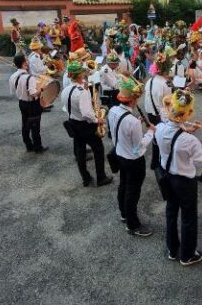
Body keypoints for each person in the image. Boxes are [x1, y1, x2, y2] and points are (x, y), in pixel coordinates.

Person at [155, 90, 202, 266]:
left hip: (167, 176)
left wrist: (189, 129)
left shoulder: (160, 129)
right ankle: (187, 255)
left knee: (171, 211)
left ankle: (172, 249)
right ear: (185, 114)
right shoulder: (189, 141)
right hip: (184, 182)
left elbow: (174, 136)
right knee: (188, 217)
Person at [108, 77, 155, 237]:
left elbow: (118, 132)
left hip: (120, 153)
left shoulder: (113, 110)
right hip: (133, 160)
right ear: (133, 100)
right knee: (132, 192)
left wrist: (137, 123)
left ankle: (123, 213)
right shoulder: (132, 122)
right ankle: (132, 225)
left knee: (124, 185)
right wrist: (150, 133)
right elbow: (138, 148)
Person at [62, 61, 112, 187]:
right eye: (83, 73)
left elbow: (66, 108)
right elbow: (86, 113)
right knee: (98, 150)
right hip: (85, 125)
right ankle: (101, 177)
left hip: (73, 122)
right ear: (79, 75)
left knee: (80, 151)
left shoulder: (66, 89)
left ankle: (86, 178)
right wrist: (98, 120)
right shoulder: (82, 92)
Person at [9, 54, 47, 154]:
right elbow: (33, 93)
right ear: (24, 63)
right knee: (35, 127)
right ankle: (38, 147)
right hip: (32, 104)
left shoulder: (13, 76)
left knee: (25, 124)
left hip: (22, 103)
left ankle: (28, 145)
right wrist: (42, 89)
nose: (28, 62)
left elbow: (13, 91)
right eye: (26, 60)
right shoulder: (29, 78)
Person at [144, 50, 173, 170]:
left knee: (155, 136)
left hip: (150, 112)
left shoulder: (150, 80)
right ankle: (162, 163)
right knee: (163, 138)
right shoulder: (166, 83)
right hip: (161, 115)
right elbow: (169, 103)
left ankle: (154, 162)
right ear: (165, 69)